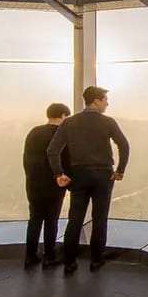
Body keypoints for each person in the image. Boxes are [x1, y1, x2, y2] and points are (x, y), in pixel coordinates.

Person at [47, 86, 129, 275]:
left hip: (79, 175)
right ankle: (96, 260)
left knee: (75, 219)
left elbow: (52, 150)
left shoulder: (70, 122)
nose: (107, 103)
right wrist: (120, 170)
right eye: (105, 100)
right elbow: (124, 145)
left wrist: (59, 173)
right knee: (100, 219)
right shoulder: (108, 122)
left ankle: (69, 262)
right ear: (96, 101)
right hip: (103, 175)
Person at [23, 102, 72, 269]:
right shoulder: (62, 135)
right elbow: (66, 161)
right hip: (54, 184)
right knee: (51, 220)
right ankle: (49, 256)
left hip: (33, 183)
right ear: (63, 115)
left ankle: (30, 256)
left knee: (34, 220)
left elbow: (26, 159)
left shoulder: (34, 132)